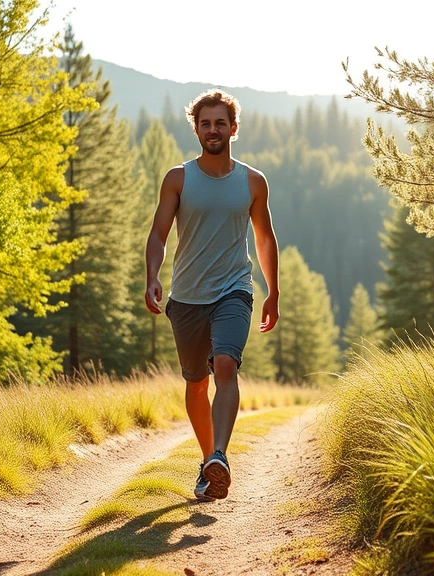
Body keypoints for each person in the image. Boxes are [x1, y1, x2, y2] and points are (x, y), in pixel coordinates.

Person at [144, 89, 280, 502]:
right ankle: (208, 463)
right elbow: (158, 234)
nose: (213, 129)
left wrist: (273, 291)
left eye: (221, 122)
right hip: (186, 297)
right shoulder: (179, 178)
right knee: (196, 383)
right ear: (197, 129)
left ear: (233, 128)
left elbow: (264, 239)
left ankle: (220, 453)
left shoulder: (253, 182)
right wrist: (152, 275)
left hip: (234, 290)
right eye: (205, 123)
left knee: (225, 364)